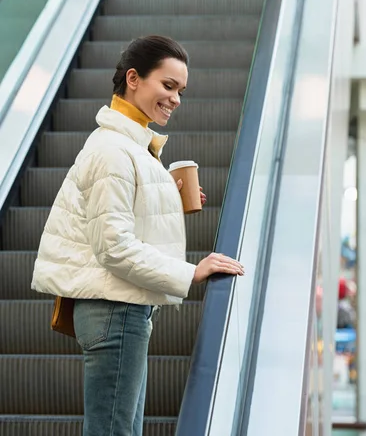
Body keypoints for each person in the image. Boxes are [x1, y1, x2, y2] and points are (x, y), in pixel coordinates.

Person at [31, 35, 244, 436]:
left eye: (180, 90)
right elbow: (112, 246)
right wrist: (189, 273)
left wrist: (164, 194)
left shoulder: (129, 146)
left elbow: (114, 217)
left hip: (121, 310)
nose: (176, 99)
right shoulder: (114, 150)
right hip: (115, 310)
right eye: (168, 86)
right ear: (133, 78)